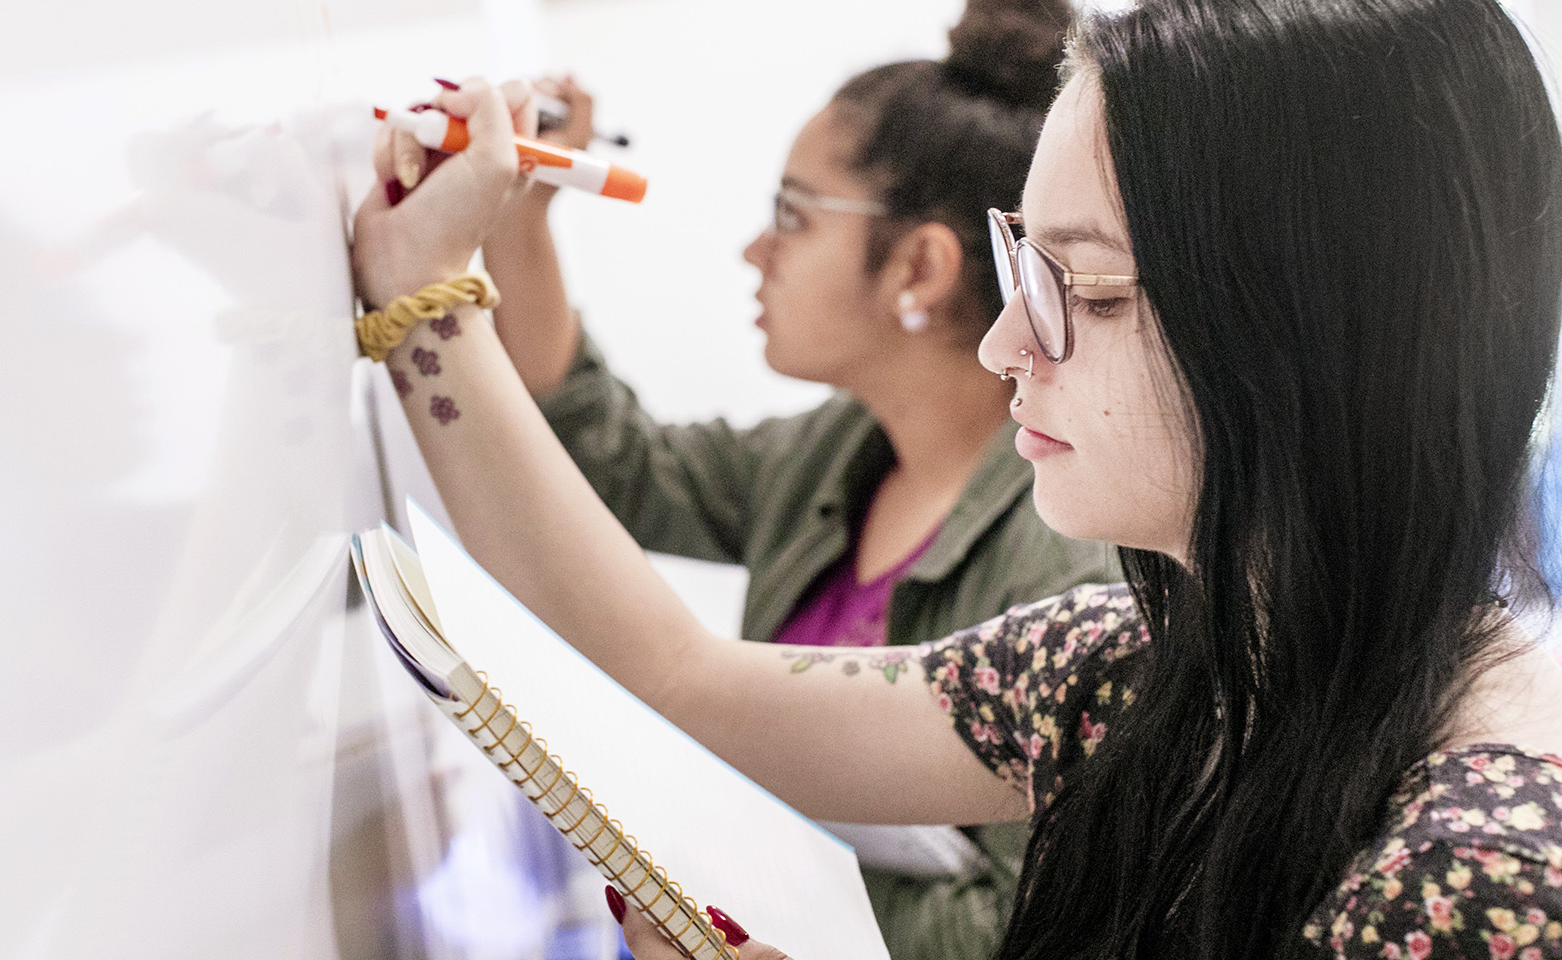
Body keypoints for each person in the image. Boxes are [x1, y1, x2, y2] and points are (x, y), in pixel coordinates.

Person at [349, 0, 1562, 955]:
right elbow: (678, 678)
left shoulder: (1476, 878)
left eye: (1078, 290)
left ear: (1310, 333)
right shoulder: (1130, 671)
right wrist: (420, 296)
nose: (1004, 345)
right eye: (1019, 261)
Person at [457, 2, 1115, 957]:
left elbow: (1025, 925)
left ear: (920, 267)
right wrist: (521, 216)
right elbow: (611, 466)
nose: (754, 254)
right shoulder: (837, 450)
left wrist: (743, 883)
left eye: (790, 219)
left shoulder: (1072, 564)